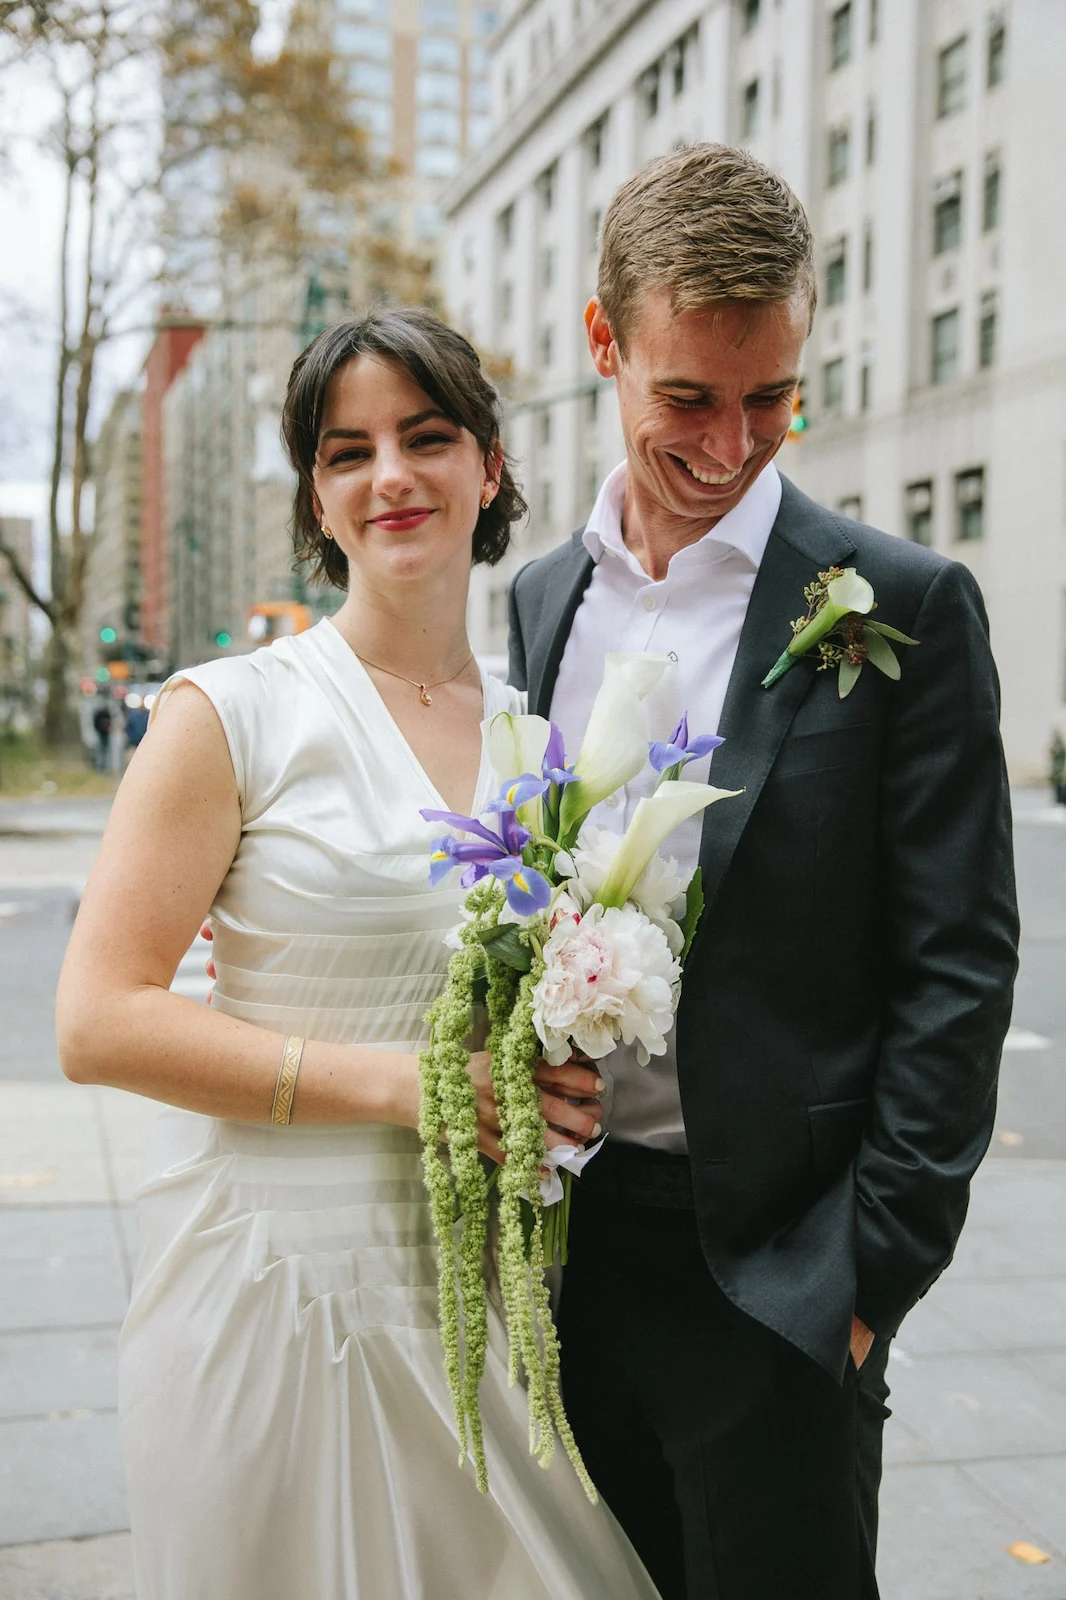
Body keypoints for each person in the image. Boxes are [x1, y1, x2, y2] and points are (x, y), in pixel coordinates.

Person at [55, 309, 658, 1600]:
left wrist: (558, 1079)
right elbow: (96, 1019)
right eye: (347, 451)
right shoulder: (230, 713)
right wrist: (406, 1086)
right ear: (317, 498)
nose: (390, 475)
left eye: (425, 437)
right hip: (273, 1295)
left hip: (478, 1303)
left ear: (488, 465)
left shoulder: (536, 735)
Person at [507, 143, 1019, 1600]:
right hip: (569, 1254)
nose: (731, 444)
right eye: (688, 397)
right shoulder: (542, 598)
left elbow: (957, 964)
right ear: (603, 342)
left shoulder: (903, 606)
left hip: (781, 1280)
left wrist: (864, 1277)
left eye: (771, 397)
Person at [1049, 728, 1066, 805]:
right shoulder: (1054, 745)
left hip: (1061, 770)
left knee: (1061, 786)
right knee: (1056, 786)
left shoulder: (1062, 745)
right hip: (1056, 770)